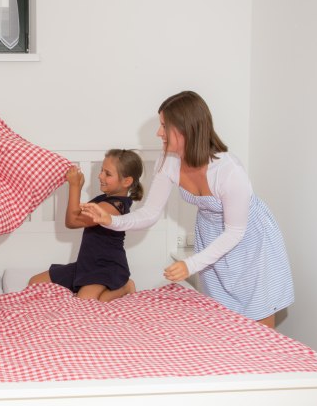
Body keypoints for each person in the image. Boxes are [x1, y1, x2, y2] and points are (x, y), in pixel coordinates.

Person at [81, 91, 294, 327]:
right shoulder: (169, 162)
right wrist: (111, 221)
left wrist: (190, 264)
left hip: (249, 242)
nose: (159, 133)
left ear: (185, 128)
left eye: (164, 126)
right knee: (223, 319)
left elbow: (235, 232)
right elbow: (150, 213)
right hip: (212, 237)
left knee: (257, 319)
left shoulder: (228, 171)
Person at [28, 149, 143, 302]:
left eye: (107, 174)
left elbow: (72, 222)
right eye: (101, 170)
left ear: (126, 181)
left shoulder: (114, 207)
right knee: (35, 284)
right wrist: (77, 185)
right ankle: (88, 287)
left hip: (106, 268)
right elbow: (75, 215)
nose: (100, 176)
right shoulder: (103, 200)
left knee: (85, 302)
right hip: (86, 265)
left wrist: (75, 186)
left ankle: (126, 286)